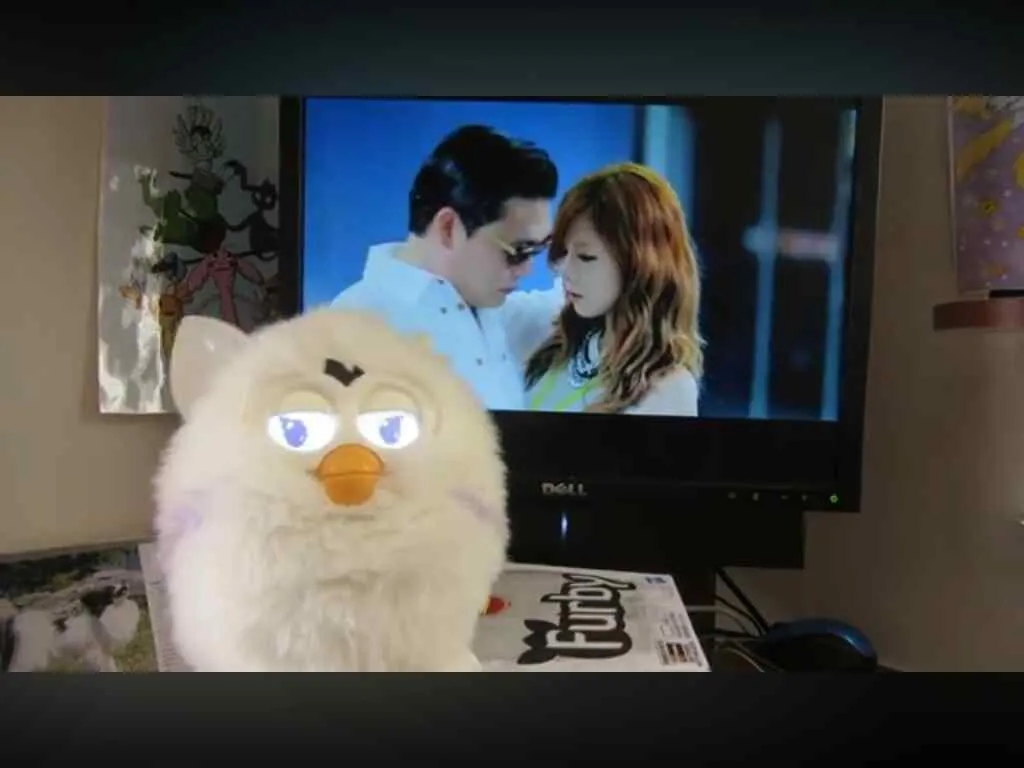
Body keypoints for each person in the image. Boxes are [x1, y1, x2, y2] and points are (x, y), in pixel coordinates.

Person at [330, 124, 562, 411]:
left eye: (540, 248)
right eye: (519, 251)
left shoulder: (489, 312)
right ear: (449, 227)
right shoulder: (352, 327)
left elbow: (566, 303)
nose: (528, 269)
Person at [522, 162, 704, 416]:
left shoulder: (669, 388)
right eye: (564, 252)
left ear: (639, 265)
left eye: (586, 257)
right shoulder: (554, 345)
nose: (565, 270)